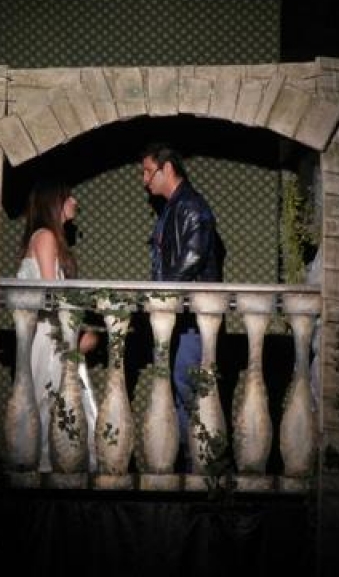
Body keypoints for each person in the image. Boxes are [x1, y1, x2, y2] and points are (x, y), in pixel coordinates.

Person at [140, 142, 225, 472]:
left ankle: (207, 473)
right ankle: (189, 471)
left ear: (167, 168)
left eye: (148, 172)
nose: (145, 180)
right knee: (179, 394)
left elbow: (192, 259)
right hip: (179, 319)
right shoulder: (174, 208)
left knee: (192, 394)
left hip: (191, 321)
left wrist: (161, 297)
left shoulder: (190, 206)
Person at [17, 178, 98, 473]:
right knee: (52, 402)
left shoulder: (44, 238)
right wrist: (75, 339)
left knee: (59, 402)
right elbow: (53, 299)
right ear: (55, 202)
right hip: (51, 337)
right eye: (69, 196)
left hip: (51, 334)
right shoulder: (46, 237)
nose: (76, 201)